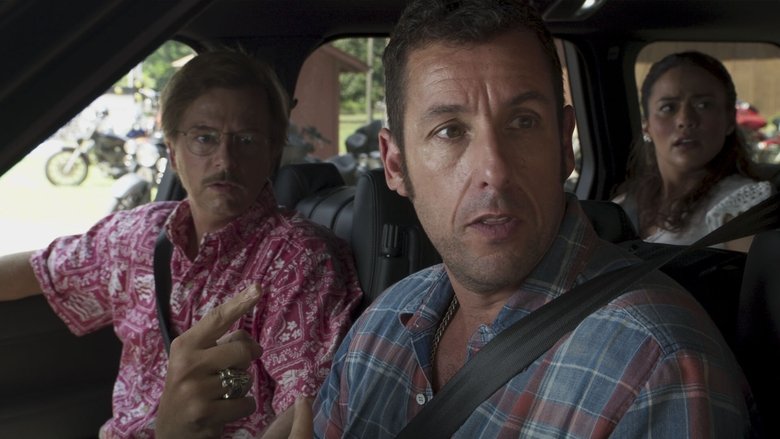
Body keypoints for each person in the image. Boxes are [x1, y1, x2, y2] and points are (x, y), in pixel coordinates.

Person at [311, 1, 757, 437]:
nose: (495, 171)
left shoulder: (655, 371)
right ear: (395, 165)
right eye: (449, 130)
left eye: (523, 122)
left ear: (564, 144)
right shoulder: (380, 324)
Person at [0, 50, 363, 438]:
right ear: (173, 151)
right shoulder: (135, 235)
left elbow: (303, 412)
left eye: (246, 139)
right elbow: (38, 269)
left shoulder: (298, 259)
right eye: (204, 138)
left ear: (272, 152)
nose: (225, 160)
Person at [613, 51, 772, 252]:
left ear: (730, 121)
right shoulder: (624, 206)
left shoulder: (745, 206)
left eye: (703, 105)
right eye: (668, 108)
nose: (685, 120)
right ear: (647, 125)